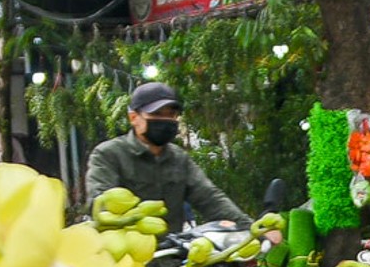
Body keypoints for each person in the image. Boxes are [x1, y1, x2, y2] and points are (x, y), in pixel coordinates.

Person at [84, 83, 252, 229]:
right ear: (134, 118)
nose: (165, 120)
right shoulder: (108, 155)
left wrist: (250, 228)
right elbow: (100, 205)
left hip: (175, 259)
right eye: (156, 114)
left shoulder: (179, 158)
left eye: (171, 115)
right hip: (127, 259)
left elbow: (209, 198)